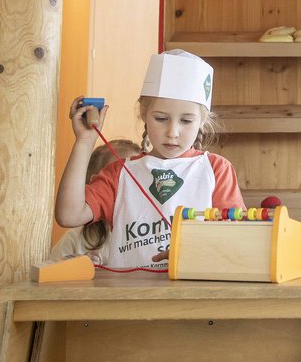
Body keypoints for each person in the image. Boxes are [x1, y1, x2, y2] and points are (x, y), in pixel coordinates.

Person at [55, 50, 245, 269]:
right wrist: (84, 142)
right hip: (132, 298)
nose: (173, 131)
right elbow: (69, 215)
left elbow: (235, 240)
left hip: (196, 296)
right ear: (143, 113)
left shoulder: (216, 169)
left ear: (202, 120)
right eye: (161, 118)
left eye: (186, 120)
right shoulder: (119, 174)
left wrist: (192, 253)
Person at [49, 139, 143, 264]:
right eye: (121, 177)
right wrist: (77, 266)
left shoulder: (154, 231)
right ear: (96, 185)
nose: (134, 186)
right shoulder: (75, 239)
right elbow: (52, 273)